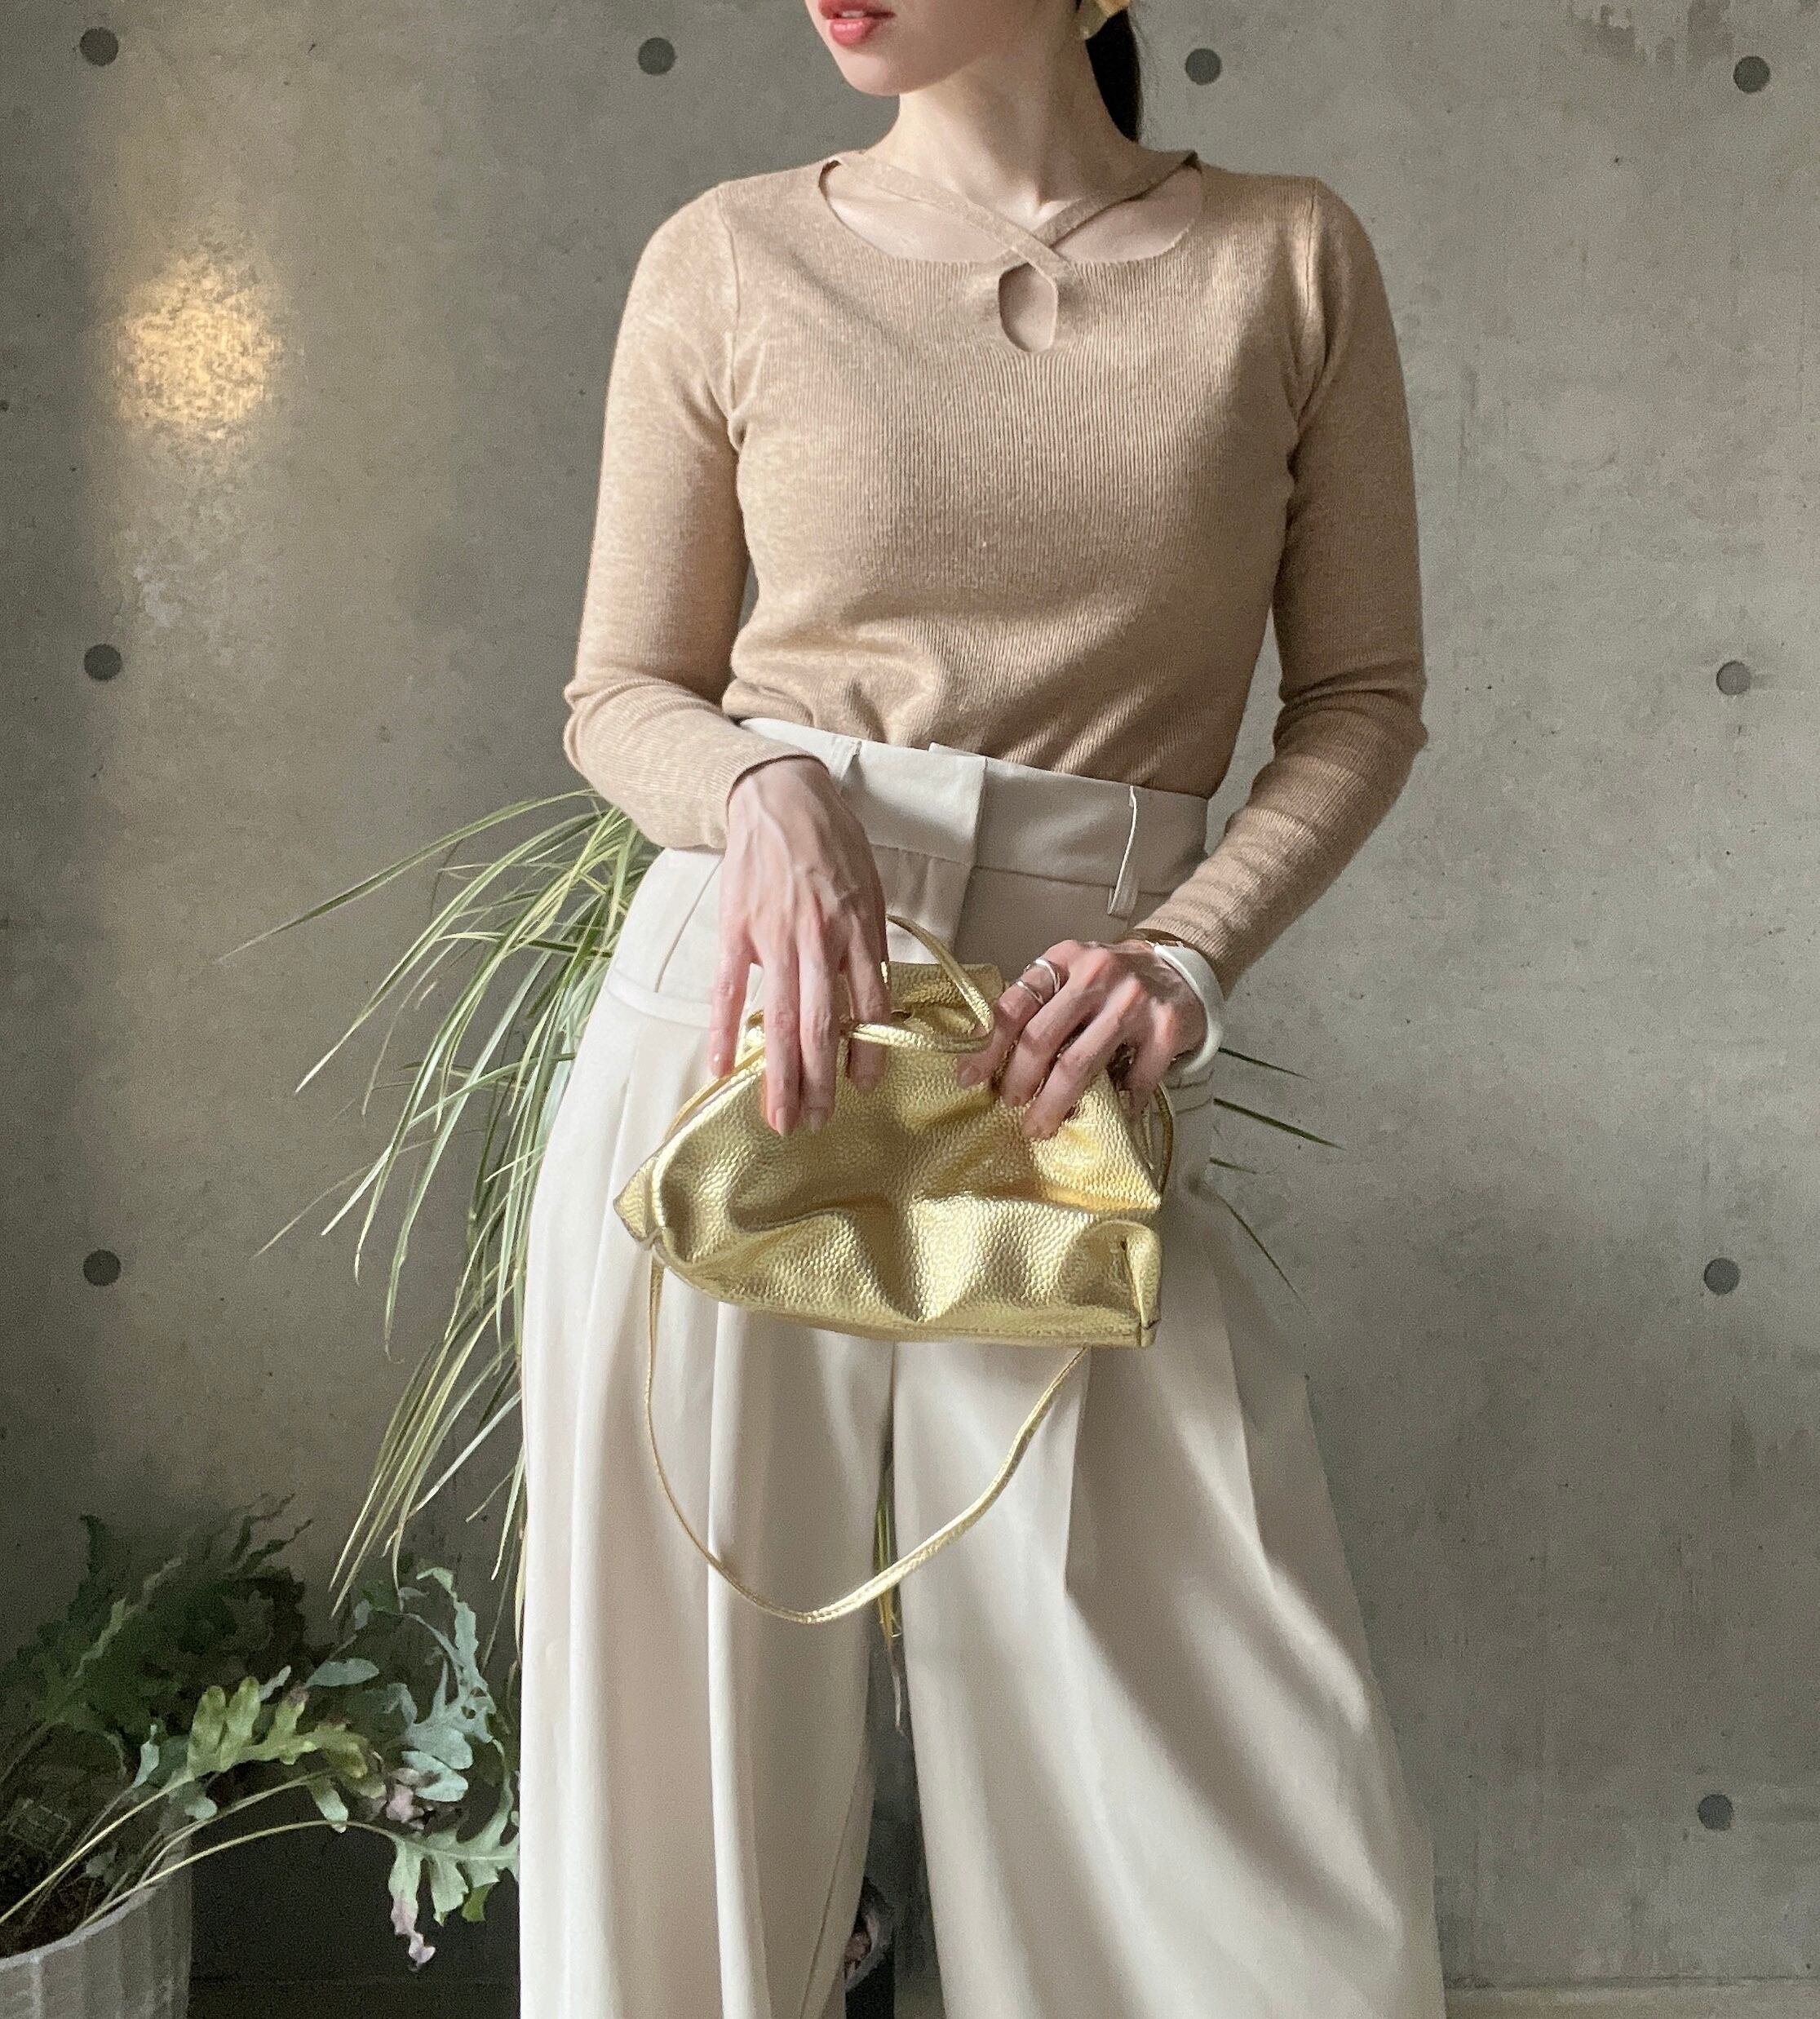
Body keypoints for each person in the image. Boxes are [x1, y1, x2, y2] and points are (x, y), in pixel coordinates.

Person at [516, 0, 1448, 2013]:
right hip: (743, 1025)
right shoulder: (730, 255)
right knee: (683, 1762)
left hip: (1059, 1059)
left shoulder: (1286, 260)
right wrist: (760, 789)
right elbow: (621, 689)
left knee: (1219, 1756)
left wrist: (1188, 946)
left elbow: (1363, 698)